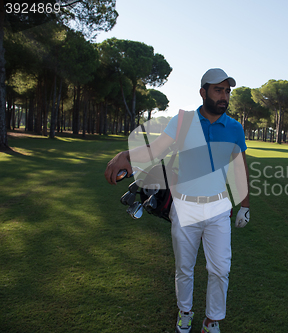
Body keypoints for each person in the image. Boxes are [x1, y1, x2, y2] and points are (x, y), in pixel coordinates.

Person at [104, 68, 250, 333]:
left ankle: (212, 320)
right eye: (218, 90)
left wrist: (246, 204)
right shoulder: (182, 122)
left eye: (227, 91)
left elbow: (239, 166)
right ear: (203, 92)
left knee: (220, 269)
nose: (224, 96)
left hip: (219, 207)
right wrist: (125, 154)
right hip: (185, 206)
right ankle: (185, 312)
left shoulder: (235, 127)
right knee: (185, 267)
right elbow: (156, 150)